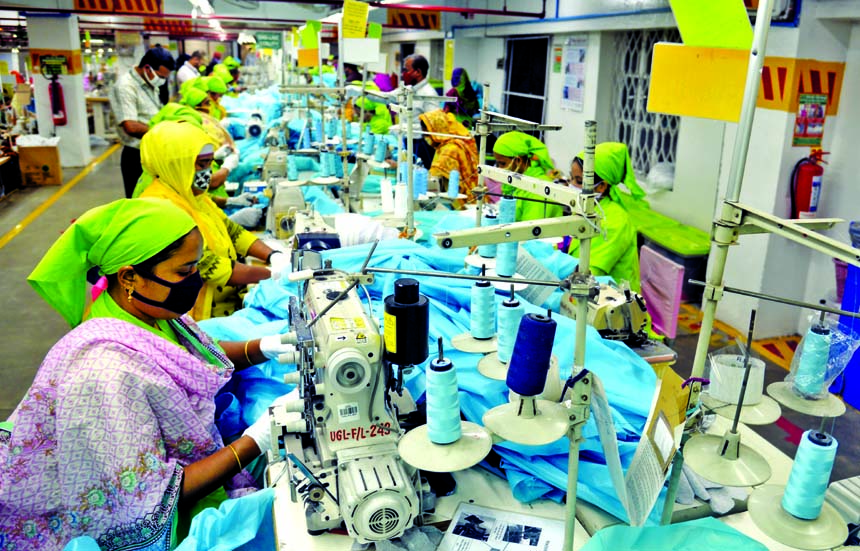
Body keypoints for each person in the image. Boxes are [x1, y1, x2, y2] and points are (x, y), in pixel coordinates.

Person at [1, 198, 291, 550]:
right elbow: (147, 498)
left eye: (197, 267)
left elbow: (193, 353)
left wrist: (264, 346)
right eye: (184, 272)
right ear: (129, 277)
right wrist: (255, 440)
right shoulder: (103, 374)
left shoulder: (151, 313)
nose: (196, 281)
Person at [138, 121, 284, 319]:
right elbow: (208, 266)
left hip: (224, 304)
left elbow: (232, 231)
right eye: (202, 164)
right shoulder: (160, 209)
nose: (208, 171)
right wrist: (274, 274)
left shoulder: (194, 196)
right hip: (197, 314)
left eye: (210, 162)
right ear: (177, 165)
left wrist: (274, 255)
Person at [566, 142, 646, 292]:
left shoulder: (613, 221)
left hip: (612, 304)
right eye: (571, 178)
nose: (571, 185)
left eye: (578, 181)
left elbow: (589, 273)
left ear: (601, 186)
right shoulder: (588, 208)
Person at [109, 46, 176, 198]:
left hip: (155, 152)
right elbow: (130, 126)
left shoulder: (150, 82)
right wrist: (165, 132)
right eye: (161, 76)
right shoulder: (126, 86)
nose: (163, 81)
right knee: (141, 200)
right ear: (147, 68)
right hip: (137, 156)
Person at [492, 131, 565, 221]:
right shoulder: (516, 182)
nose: (499, 168)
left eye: (502, 163)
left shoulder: (539, 189)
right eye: (497, 163)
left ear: (518, 161)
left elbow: (530, 229)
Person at [417, 109, 478, 208]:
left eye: (427, 134)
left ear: (436, 130)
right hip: (469, 193)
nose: (426, 138)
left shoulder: (449, 150)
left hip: (459, 201)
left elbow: (434, 177)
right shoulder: (455, 141)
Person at [401, 54, 439, 118]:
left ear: (418, 72)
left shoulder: (429, 94)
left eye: (407, 70)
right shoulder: (410, 89)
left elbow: (432, 123)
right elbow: (389, 96)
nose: (403, 74)